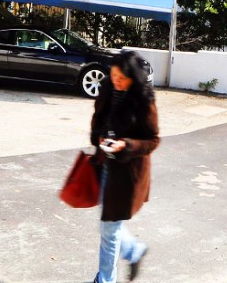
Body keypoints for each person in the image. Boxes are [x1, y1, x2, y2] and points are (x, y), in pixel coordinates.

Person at [89, 49, 160, 283]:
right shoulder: (108, 87)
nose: (117, 81)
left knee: (109, 230)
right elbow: (98, 118)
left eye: (122, 78)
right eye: (114, 76)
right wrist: (99, 138)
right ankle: (133, 251)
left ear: (133, 77)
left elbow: (152, 140)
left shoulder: (144, 100)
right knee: (109, 224)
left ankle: (105, 280)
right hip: (106, 164)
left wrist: (125, 145)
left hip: (128, 174)